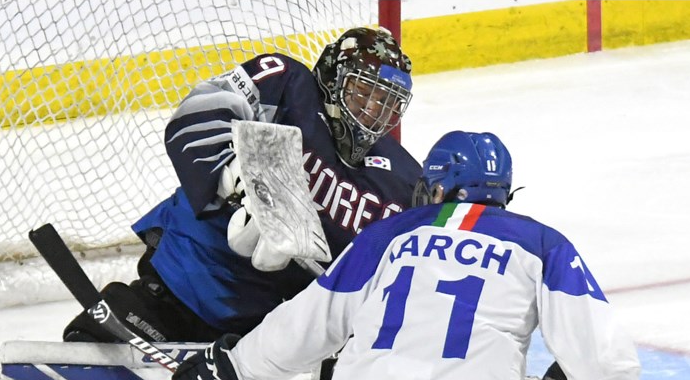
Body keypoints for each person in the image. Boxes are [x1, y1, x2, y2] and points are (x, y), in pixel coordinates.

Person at [168, 130, 690, 380]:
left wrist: (231, 371)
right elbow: (601, 359)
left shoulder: (387, 234)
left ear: (436, 185)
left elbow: (310, 323)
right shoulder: (541, 242)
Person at [62, 26, 422, 344]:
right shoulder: (287, 84)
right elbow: (199, 113)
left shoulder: (402, 181)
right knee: (96, 339)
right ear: (331, 76)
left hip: (264, 332)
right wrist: (234, 182)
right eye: (363, 92)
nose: (372, 111)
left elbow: (392, 273)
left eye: (387, 102)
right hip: (182, 282)